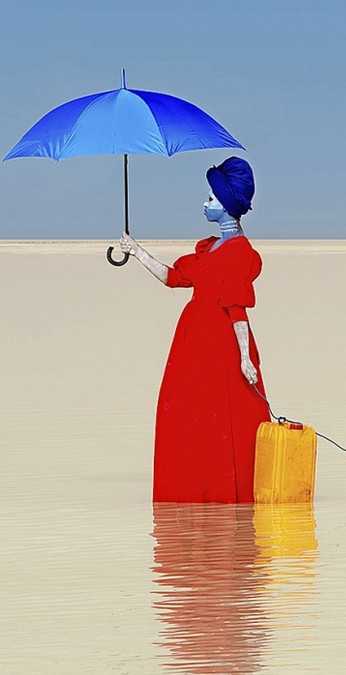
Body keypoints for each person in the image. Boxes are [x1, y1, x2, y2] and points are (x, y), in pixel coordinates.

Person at [120, 156, 269, 502]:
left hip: (219, 344)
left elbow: (236, 308)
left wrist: (245, 357)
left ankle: (226, 492)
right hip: (193, 343)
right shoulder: (209, 248)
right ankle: (195, 488)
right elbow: (174, 278)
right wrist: (137, 251)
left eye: (212, 199)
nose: (205, 204)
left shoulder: (238, 253)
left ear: (228, 206)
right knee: (189, 414)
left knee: (224, 415)